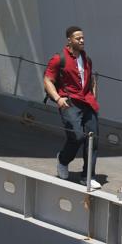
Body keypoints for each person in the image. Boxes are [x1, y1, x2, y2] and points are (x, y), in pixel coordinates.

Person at [43, 26, 100, 189]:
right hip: (69, 101)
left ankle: (88, 176)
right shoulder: (58, 59)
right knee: (77, 136)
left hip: (87, 102)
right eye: (78, 38)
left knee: (93, 138)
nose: (82, 40)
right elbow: (48, 80)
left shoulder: (87, 59)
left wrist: (93, 97)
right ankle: (63, 159)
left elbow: (92, 80)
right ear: (69, 40)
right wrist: (57, 98)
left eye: (82, 38)